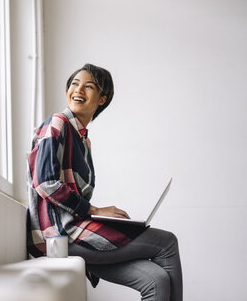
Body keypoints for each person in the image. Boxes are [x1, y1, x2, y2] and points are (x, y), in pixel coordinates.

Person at [26, 63, 183, 301]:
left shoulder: (84, 140)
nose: (78, 90)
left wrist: (95, 213)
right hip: (59, 236)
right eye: (74, 84)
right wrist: (93, 210)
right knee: (167, 242)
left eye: (89, 86)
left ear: (102, 99)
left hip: (74, 231)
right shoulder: (57, 122)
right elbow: (46, 183)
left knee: (155, 279)